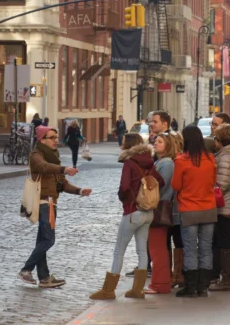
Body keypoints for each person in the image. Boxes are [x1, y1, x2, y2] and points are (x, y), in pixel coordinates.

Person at [90, 134, 164, 300]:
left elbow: (124, 187)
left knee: (119, 251)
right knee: (142, 251)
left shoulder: (130, 163)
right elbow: (161, 182)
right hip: (148, 212)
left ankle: (108, 290)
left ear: (128, 145)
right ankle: (138, 290)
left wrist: (127, 200)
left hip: (132, 211)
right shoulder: (149, 162)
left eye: (123, 142)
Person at [19, 125, 92, 288]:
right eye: (51, 137)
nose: (55, 141)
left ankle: (44, 278)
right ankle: (26, 270)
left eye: (56, 137)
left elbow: (62, 183)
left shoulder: (53, 157)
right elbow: (42, 167)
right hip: (44, 203)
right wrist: (63, 168)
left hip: (52, 203)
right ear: (42, 139)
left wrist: (80, 191)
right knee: (48, 240)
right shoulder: (36, 155)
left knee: (42, 241)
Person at [171, 125, 217, 297]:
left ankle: (190, 286)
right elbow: (213, 181)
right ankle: (203, 286)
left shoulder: (181, 160)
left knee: (190, 248)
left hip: (189, 209)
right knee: (206, 247)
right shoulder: (211, 158)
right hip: (208, 208)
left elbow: (176, 185)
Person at [208, 124, 230, 291]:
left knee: (223, 243)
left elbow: (221, 184)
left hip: (225, 206)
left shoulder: (225, 157)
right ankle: (222, 276)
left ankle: (226, 278)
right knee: (224, 242)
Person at [146, 132, 180, 294]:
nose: (156, 143)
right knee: (156, 247)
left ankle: (160, 284)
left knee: (157, 248)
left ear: (168, 145)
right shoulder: (160, 161)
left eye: (160, 141)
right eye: (155, 141)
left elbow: (160, 186)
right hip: (157, 206)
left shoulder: (166, 164)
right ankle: (160, 282)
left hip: (160, 207)